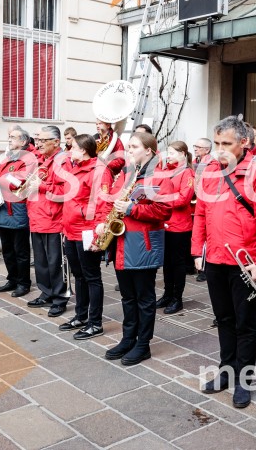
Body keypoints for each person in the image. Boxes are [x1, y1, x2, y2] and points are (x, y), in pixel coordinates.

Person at [192, 116, 256, 409]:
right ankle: (226, 370)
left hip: (245, 261)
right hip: (215, 257)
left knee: (245, 323)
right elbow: (201, 213)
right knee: (224, 319)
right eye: (216, 143)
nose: (219, 150)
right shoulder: (211, 169)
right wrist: (197, 251)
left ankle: (245, 378)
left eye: (226, 144)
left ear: (243, 143)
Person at [98, 132, 173, 366]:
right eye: (128, 146)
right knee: (127, 296)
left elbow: (164, 211)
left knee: (144, 297)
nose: (128, 151)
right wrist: (102, 221)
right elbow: (110, 201)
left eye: (133, 147)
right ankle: (128, 338)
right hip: (123, 242)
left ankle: (143, 344)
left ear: (148, 150)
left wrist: (132, 209)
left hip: (143, 243)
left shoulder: (159, 175)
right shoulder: (128, 172)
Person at [59, 134, 113, 340]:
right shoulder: (73, 167)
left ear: (83, 149)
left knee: (91, 277)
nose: (69, 150)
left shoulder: (99, 170)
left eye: (72, 147)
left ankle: (95, 322)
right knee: (78, 276)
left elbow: (103, 201)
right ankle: (81, 316)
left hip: (86, 230)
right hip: (71, 229)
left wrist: (95, 222)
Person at [24, 126, 68, 317]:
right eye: (37, 139)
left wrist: (41, 186)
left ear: (56, 142)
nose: (38, 143)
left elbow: (66, 191)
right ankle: (47, 291)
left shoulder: (63, 161)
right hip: (37, 217)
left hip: (54, 219)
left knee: (56, 262)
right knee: (41, 261)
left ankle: (60, 298)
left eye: (42, 140)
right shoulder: (41, 161)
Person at [0, 128, 34, 298]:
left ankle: (24, 282)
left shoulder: (28, 158)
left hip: (17, 208)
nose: (9, 140)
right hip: (3, 206)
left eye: (13, 137)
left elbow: (20, 180)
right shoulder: (8, 157)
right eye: (9, 137)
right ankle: (12, 278)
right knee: (7, 248)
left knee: (20, 249)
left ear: (23, 141)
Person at [156, 141, 195, 314]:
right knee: (166, 262)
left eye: (172, 153)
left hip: (179, 225)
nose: (169, 156)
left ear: (182, 154)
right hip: (164, 223)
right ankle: (167, 293)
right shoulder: (166, 171)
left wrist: (161, 199)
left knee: (177, 263)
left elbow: (183, 199)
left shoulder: (187, 173)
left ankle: (177, 298)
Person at [192, 137, 214, 282]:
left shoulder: (211, 163)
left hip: (206, 203)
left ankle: (205, 269)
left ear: (207, 150)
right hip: (197, 202)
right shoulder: (196, 162)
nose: (195, 149)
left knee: (206, 236)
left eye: (198, 147)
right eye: (195, 146)